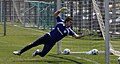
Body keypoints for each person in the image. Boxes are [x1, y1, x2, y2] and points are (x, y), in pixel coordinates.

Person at [13, 7, 83, 57]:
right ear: (66, 21)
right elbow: (55, 15)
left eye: (71, 23)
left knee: (43, 54)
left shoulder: (69, 31)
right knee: (33, 44)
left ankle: (37, 52)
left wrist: (81, 36)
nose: (71, 24)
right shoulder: (60, 22)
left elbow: (76, 36)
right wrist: (60, 10)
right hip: (47, 37)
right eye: (70, 22)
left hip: (52, 42)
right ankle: (20, 52)